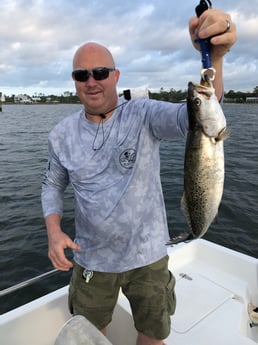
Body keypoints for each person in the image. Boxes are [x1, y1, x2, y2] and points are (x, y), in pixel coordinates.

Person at [41, 8, 237, 345]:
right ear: (74, 80)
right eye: (81, 74)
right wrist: (54, 231)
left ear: (115, 76)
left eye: (100, 72)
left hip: (149, 257)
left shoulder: (143, 114)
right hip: (92, 259)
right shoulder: (61, 134)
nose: (91, 81)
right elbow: (53, 184)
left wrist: (214, 59)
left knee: (152, 335)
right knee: (89, 335)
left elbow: (200, 115)